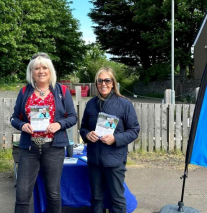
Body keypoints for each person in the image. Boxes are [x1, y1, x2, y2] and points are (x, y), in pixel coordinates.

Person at [10, 52, 77, 213]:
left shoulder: (62, 91)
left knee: (53, 193)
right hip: (29, 149)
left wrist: (59, 124)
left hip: (54, 149)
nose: (41, 71)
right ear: (31, 72)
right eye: (37, 68)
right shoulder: (25, 91)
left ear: (50, 70)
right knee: (22, 194)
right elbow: (14, 118)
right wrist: (22, 125)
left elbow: (73, 117)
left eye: (44, 67)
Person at [80, 67, 140, 213]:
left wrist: (115, 139)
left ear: (113, 83)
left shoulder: (124, 104)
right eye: (99, 81)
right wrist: (87, 135)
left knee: (117, 199)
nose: (103, 84)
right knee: (96, 198)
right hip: (94, 160)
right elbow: (83, 128)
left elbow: (134, 130)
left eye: (107, 80)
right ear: (96, 84)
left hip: (114, 160)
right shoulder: (91, 104)